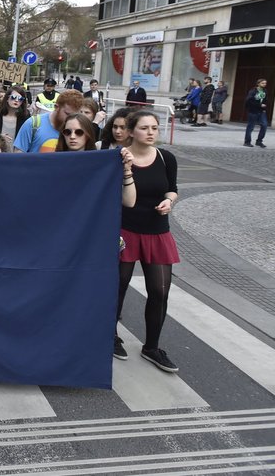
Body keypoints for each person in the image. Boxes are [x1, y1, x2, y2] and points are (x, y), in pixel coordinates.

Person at [116, 111, 180, 373]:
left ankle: (152, 347)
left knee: (160, 291)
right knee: (117, 288)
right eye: (144, 128)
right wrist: (127, 169)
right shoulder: (119, 157)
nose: (152, 132)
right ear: (131, 131)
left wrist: (170, 201)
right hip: (125, 230)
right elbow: (123, 199)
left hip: (157, 231)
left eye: (155, 127)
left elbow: (172, 188)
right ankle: (110, 337)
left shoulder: (166, 158)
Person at [13, 89, 84, 153]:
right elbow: (18, 155)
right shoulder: (33, 124)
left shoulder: (78, 129)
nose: (71, 119)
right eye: (67, 114)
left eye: (75, 116)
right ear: (56, 107)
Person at [243, 78, 269, 148]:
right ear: (258, 83)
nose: (264, 84)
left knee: (264, 125)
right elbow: (249, 100)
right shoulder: (253, 91)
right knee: (250, 126)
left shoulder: (265, 91)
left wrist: (264, 107)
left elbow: (265, 100)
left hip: (262, 111)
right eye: (262, 83)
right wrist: (259, 105)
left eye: (265, 83)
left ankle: (259, 141)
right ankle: (247, 141)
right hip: (253, 110)